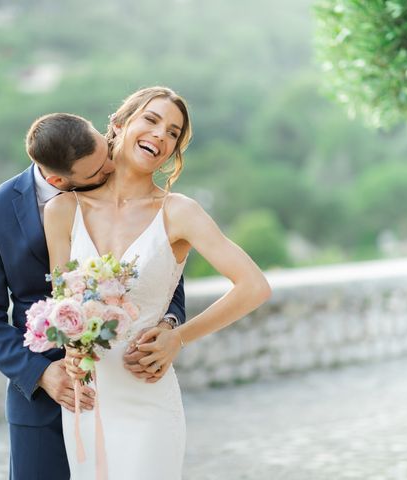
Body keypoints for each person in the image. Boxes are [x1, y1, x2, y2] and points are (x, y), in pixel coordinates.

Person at [44, 86, 272, 479]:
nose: (161, 136)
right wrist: (69, 354)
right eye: (151, 120)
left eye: (173, 133)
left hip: (147, 393)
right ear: (119, 125)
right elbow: (62, 303)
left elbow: (254, 286)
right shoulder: (62, 210)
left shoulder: (179, 212)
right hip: (86, 398)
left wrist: (177, 336)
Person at [0, 112, 186, 480]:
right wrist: (41, 373)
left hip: (125, 387)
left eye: (106, 154)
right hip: (42, 402)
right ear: (57, 180)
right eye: (97, 172)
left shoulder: (113, 174)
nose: (111, 167)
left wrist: (170, 326)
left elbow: (163, 268)